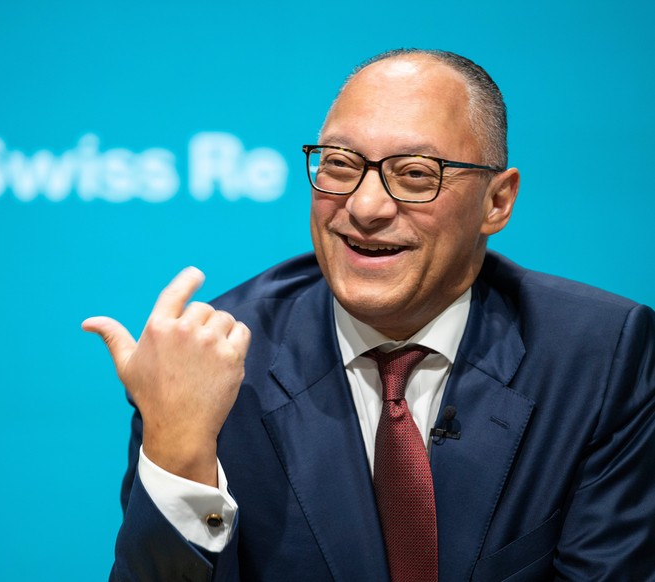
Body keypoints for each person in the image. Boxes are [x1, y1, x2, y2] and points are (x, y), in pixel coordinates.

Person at [82, 49, 655, 581]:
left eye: (414, 174)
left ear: (496, 202)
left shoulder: (600, 354)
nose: (365, 207)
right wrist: (179, 449)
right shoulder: (214, 360)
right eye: (339, 165)